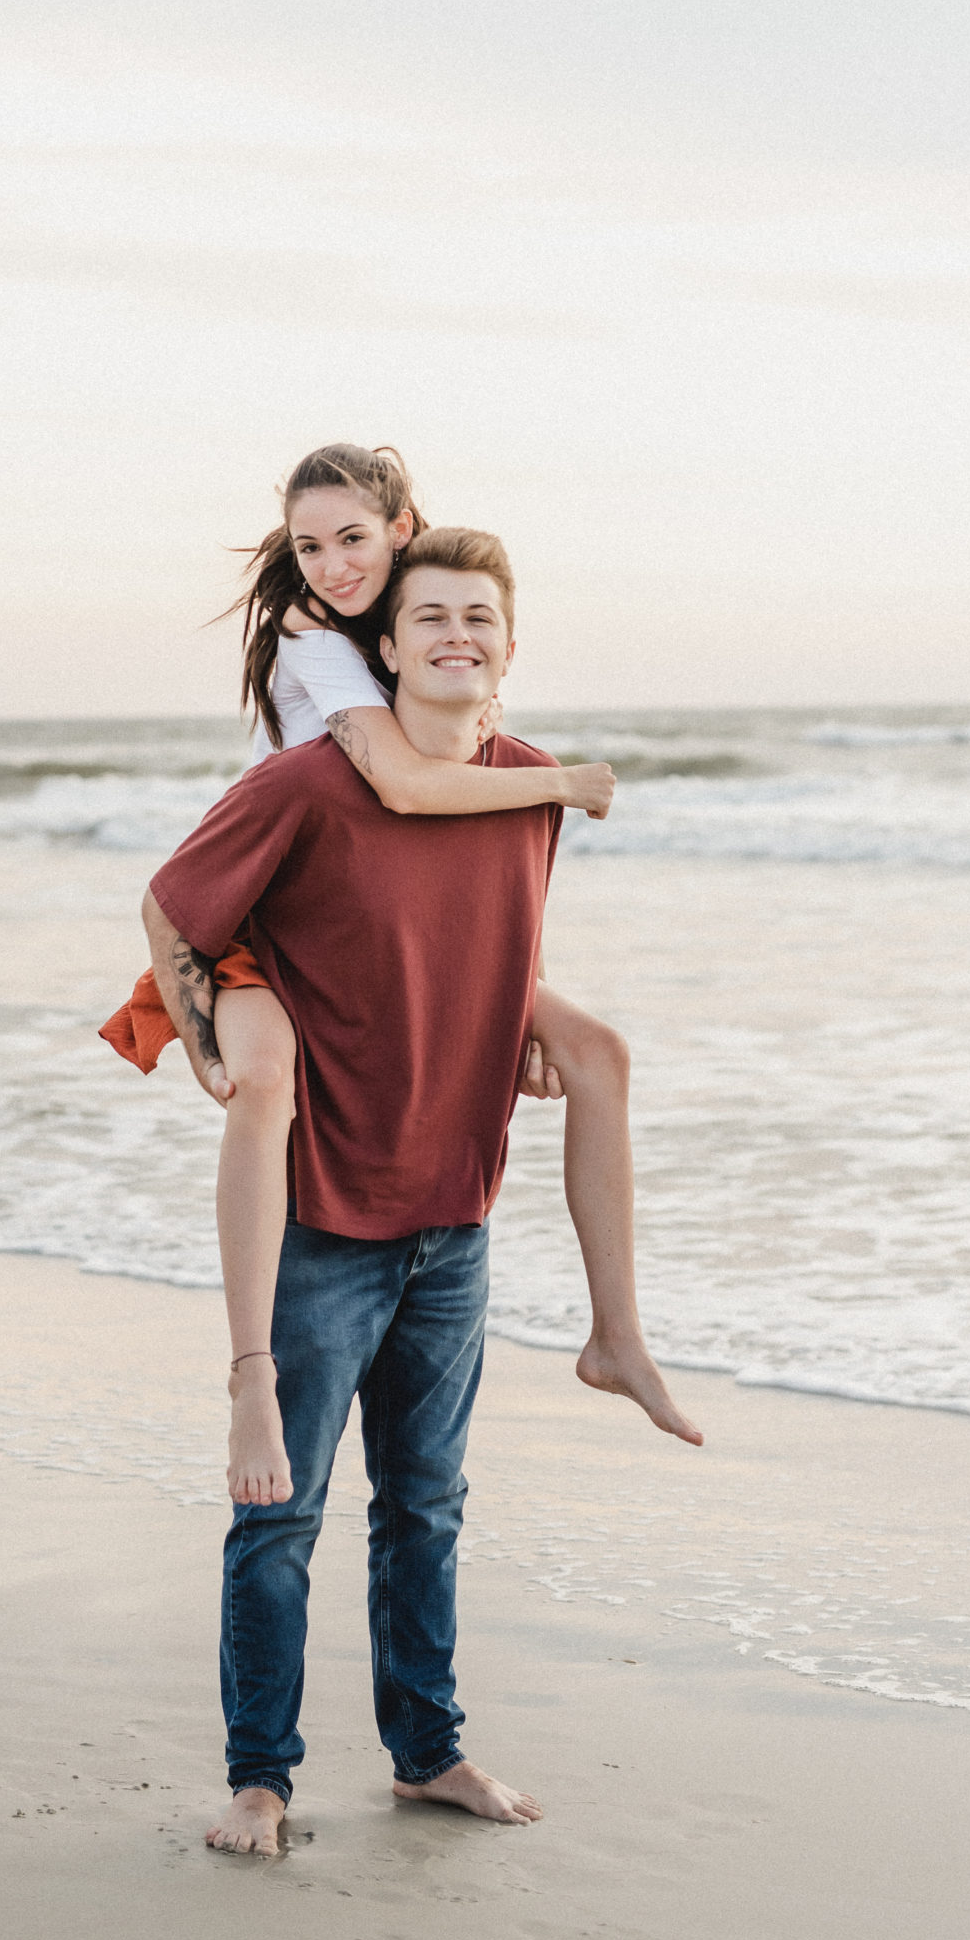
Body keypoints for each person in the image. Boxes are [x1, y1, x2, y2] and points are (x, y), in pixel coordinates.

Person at [123, 443, 701, 1516]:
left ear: (399, 528)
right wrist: (562, 781)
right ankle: (251, 1369)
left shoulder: (422, 627)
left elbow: (462, 863)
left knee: (598, 1053)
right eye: (308, 547)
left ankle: (615, 1333)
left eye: (352, 539)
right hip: (273, 924)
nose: (331, 565)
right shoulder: (317, 638)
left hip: (402, 929)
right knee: (261, 1085)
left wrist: (514, 994)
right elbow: (399, 784)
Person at [143, 529, 611, 1853]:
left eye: (482, 617)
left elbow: (473, 941)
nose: (458, 634)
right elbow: (176, 905)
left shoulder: (526, 786)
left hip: (451, 1217)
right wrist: (211, 1044)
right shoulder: (304, 786)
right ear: (385, 649)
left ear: (509, 651)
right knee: (278, 1513)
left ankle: (428, 1753)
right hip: (323, 1220)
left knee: (427, 1505)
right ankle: (259, 1782)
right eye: (432, 618)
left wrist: (508, 1031)